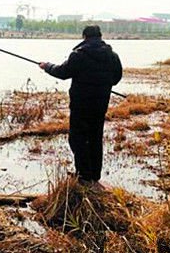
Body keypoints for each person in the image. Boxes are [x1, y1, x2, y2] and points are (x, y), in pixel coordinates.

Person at [39, 25, 122, 182]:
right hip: (101, 104)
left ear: (84, 36)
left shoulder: (78, 55)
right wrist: (103, 84)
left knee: (78, 138)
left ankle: (83, 175)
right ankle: (94, 176)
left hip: (81, 104)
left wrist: (47, 66)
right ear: (100, 36)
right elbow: (116, 78)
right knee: (95, 137)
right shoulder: (113, 56)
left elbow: (62, 72)